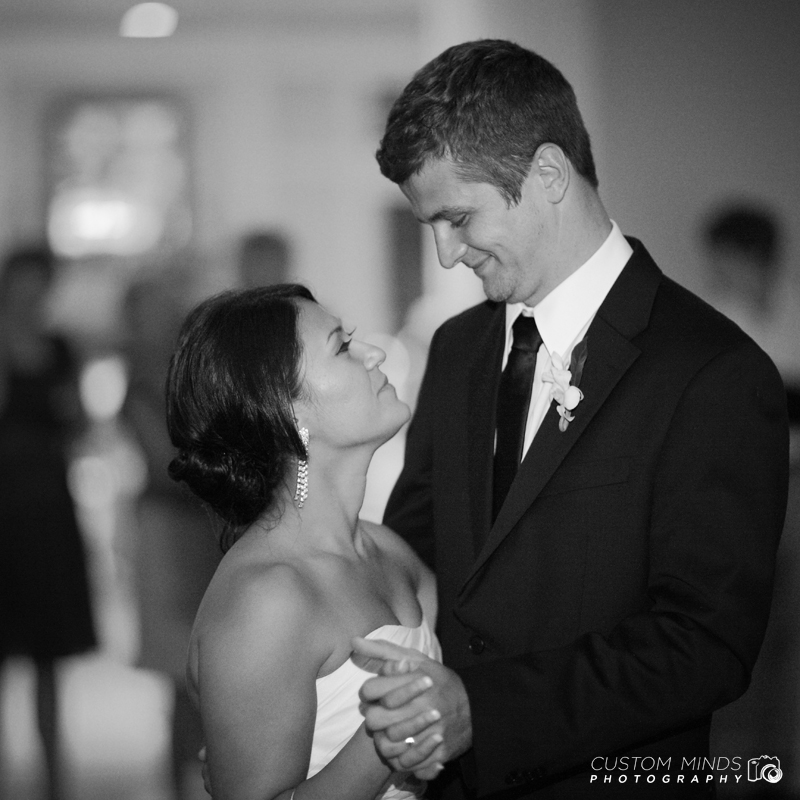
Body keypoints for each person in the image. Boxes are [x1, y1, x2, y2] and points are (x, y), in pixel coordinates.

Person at [353, 40, 790, 798]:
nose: (446, 255)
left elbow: (704, 643)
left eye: (457, 218)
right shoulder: (458, 350)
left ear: (548, 175)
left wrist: (485, 711)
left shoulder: (714, 373)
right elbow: (419, 549)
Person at [164, 284, 442, 800]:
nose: (375, 353)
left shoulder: (389, 551)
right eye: (342, 346)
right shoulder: (267, 598)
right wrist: (386, 740)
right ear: (288, 412)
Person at [0, 245, 97, 800]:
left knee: (46, 656)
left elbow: (80, 425)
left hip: (48, 508)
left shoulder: (62, 349)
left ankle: (53, 779)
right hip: (6, 509)